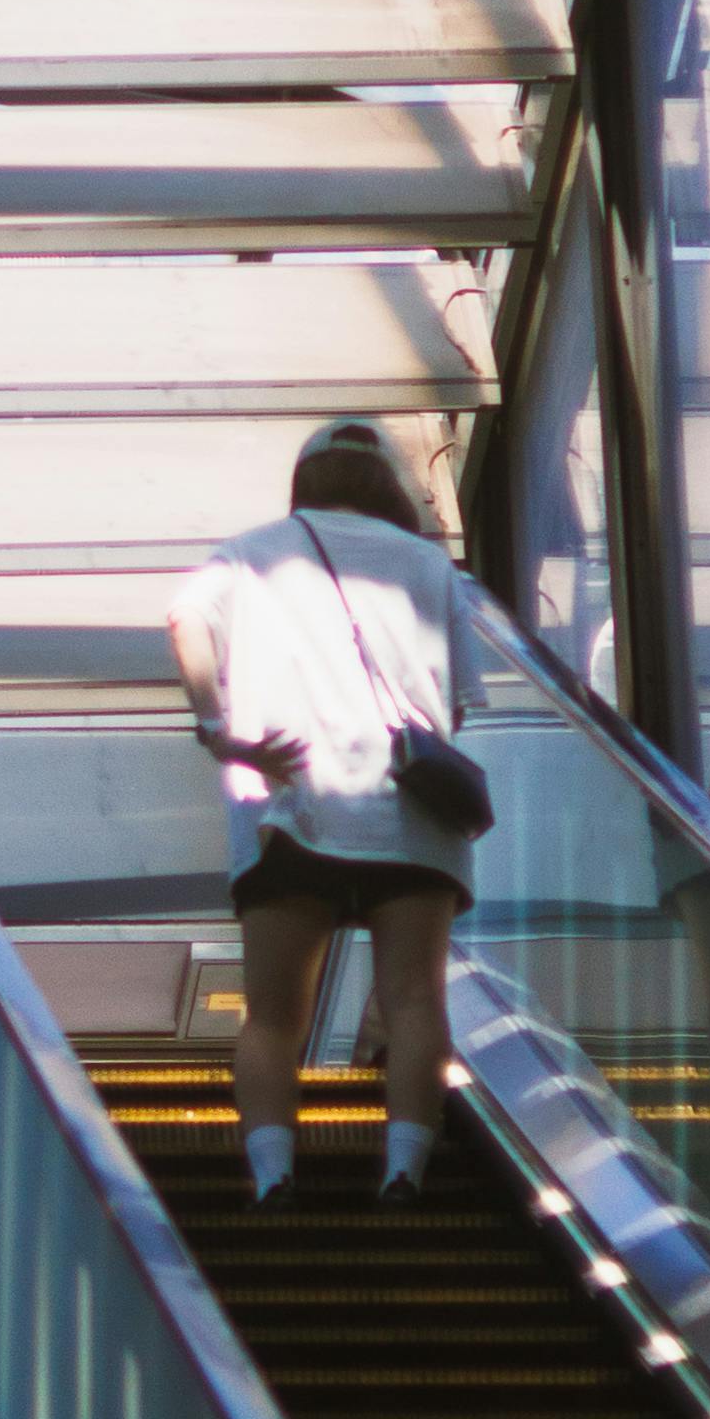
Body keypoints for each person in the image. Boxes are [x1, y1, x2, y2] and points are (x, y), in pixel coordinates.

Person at [166, 422, 479, 1206]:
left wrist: (217, 724)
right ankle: (404, 1169)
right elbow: (459, 707)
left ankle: (275, 1179)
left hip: (293, 802)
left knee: (273, 1014)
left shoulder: (251, 549)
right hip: (409, 815)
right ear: (389, 485)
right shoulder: (428, 564)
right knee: (414, 999)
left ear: (305, 480)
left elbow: (185, 618)